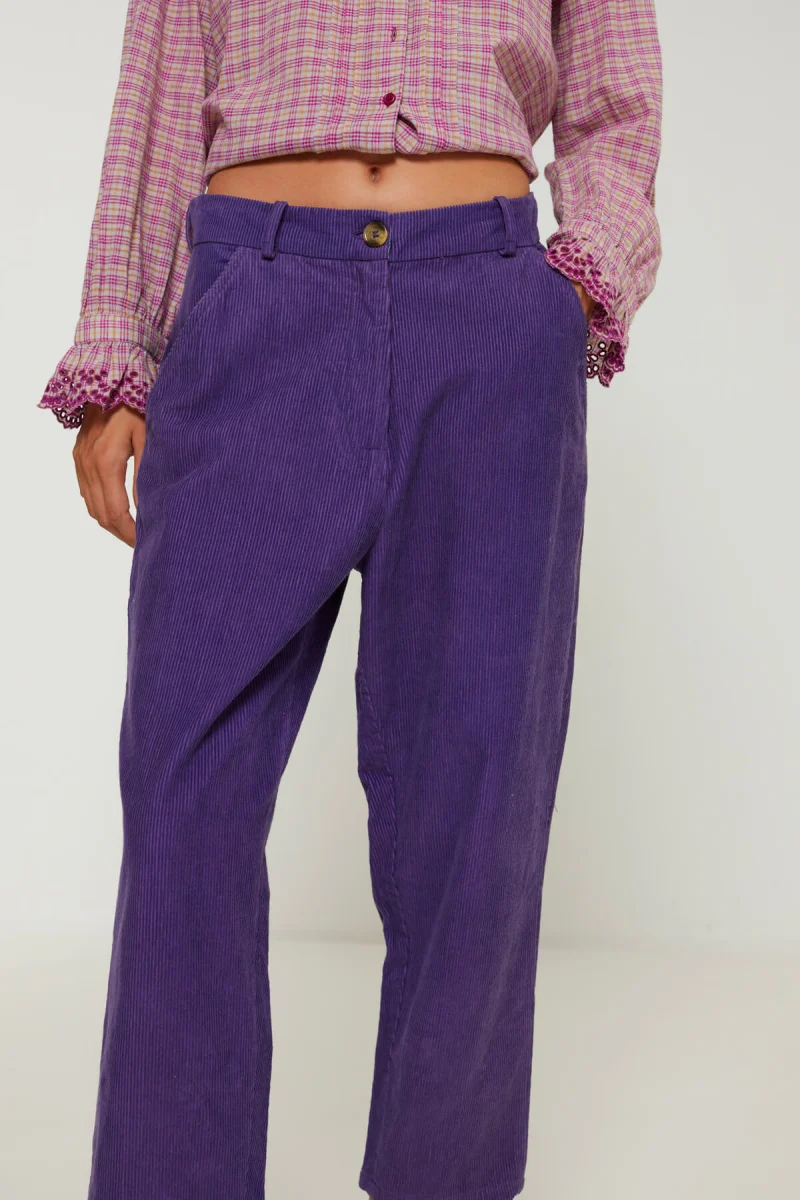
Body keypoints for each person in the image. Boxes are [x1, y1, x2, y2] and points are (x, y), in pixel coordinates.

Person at [40, 2, 662, 1197]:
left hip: (487, 320)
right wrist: (119, 342)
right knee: (183, 795)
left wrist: (574, 288)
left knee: (473, 812)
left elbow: (613, 94)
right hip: (252, 305)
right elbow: (162, 88)